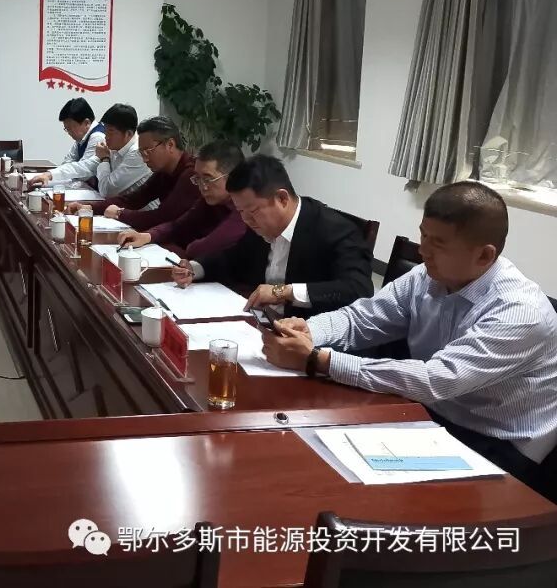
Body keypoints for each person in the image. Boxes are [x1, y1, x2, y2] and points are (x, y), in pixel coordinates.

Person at [261, 181, 557, 500]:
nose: (423, 250)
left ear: (484, 256)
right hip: (433, 414)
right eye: (423, 235)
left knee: (366, 498)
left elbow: (435, 380)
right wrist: (307, 331)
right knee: (317, 459)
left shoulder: (520, 312)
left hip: (498, 445)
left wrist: (318, 360)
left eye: (438, 243)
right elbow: (364, 317)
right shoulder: (427, 276)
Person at [172, 154, 373, 316]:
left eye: (252, 211)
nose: (246, 220)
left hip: (306, 334)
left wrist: (283, 292)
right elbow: (235, 258)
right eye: (240, 211)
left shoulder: (335, 230)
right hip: (261, 321)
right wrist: (195, 268)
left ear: (282, 198)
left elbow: (358, 289)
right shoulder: (259, 223)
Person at [116, 140, 246, 258]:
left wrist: (185, 248)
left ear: (233, 177)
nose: (202, 186)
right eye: (197, 178)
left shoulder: (246, 207)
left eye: (208, 179)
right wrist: (147, 236)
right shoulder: (211, 199)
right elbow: (178, 225)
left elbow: (203, 248)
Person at [84, 116, 198, 231]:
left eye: (148, 151)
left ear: (170, 144)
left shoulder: (192, 173)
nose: (144, 159)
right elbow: (133, 200)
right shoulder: (163, 172)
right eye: (141, 153)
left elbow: (163, 216)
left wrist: (120, 214)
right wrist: (89, 207)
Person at [27, 98, 106, 188]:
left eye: (70, 128)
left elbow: (84, 171)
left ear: (86, 123)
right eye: (66, 129)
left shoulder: (98, 136)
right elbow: (68, 161)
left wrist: (50, 175)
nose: (68, 132)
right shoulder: (82, 137)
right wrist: (49, 176)